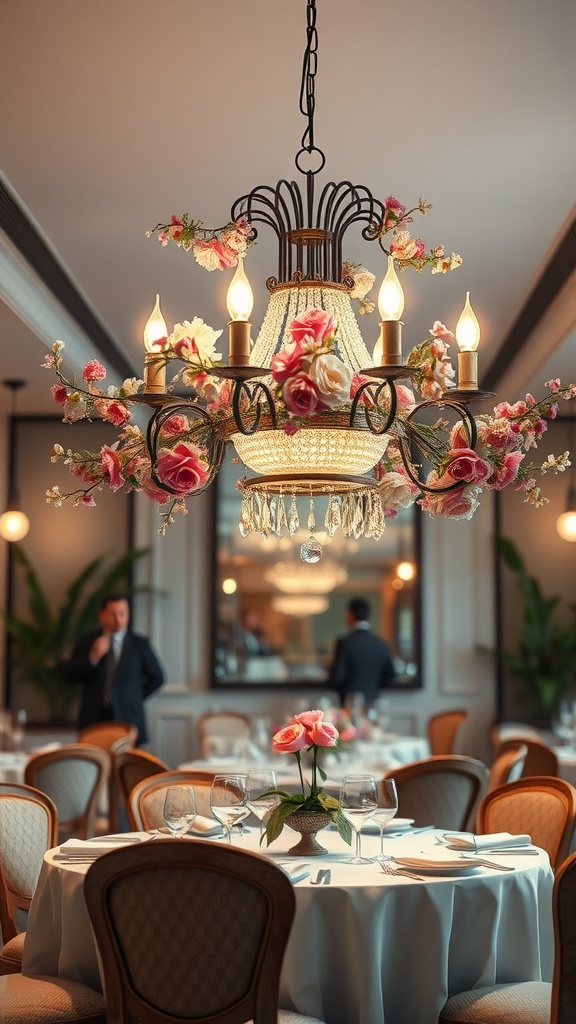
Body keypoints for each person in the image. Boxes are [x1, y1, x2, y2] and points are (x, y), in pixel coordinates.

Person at [65, 593, 164, 746]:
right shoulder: (86, 641)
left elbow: (158, 677)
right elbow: (70, 677)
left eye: (123, 613)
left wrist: (134, 698)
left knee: (127, 767)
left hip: (128, 718)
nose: (118, 619)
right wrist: (93, 657)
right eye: (113, 614)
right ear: (102, 615)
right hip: (94, 718)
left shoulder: (139, 644)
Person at [327, 596, 396, 707]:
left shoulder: (345, 643)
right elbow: (391, 675)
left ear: (350, 615)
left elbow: (337, 677)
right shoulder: (381, 643)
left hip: (349, 704)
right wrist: (373, 686)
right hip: (373, 702)